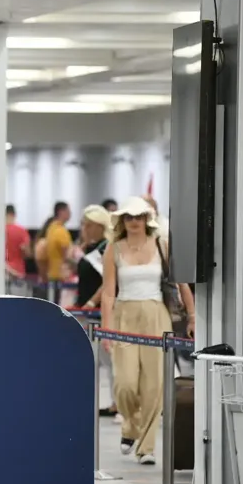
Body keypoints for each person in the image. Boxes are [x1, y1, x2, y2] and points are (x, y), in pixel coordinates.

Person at [101, 196, 195, 465]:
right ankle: (131, 426)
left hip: (157, 315)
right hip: (124, 315)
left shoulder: (162, 245)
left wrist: (192, 317)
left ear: (147, 219)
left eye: (139, 216)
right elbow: (108, 293)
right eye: (129, 217)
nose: (134, 221)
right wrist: (107, 328)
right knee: (126, 384)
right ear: (122, 220)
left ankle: (146, 446)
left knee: (154, 384)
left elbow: (182, 284)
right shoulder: (114, 249)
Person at [75, 205, 116, 418]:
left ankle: (117, 404)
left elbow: (108, 281)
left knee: (108, 358)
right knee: (96, 357)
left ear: (100, 226)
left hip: (100, 313)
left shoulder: (105, 248)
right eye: (83, 224)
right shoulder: (92, 248)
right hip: (88, 313)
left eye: (88, 225)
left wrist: (92, 302)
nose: (84, 228)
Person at [42, 201, 73, 287]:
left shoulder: (51, 228)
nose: (70, 214)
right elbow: (67, 254)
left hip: (52, 273)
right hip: (61, 277)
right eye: (68, 211)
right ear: (61, 212)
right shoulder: (61, 230)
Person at [4, 204, 31, 289]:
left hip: (3, 272)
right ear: (14, 215)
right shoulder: (22, 231)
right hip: (18, 272)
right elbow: (27, 253)